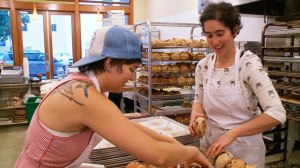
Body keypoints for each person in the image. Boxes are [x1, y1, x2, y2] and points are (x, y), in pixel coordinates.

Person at [15, 26, 212, 168]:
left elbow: (126, 126)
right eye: (131, 69)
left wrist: (178, 146)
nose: (132, 77)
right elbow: (158, 157)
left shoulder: (82, 84)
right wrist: (190, 152)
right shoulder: (85, 98)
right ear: (109, 63)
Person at [189, 2, 286, 167]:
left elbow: (277, 113)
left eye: (220, 33)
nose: (214, 41)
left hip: (244, 151)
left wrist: (232, 133)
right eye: (209, 35)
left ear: (234, 30)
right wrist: (196, 114)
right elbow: (199, 100)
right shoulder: (203, 66)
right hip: (211, 149)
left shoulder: (248, 64)